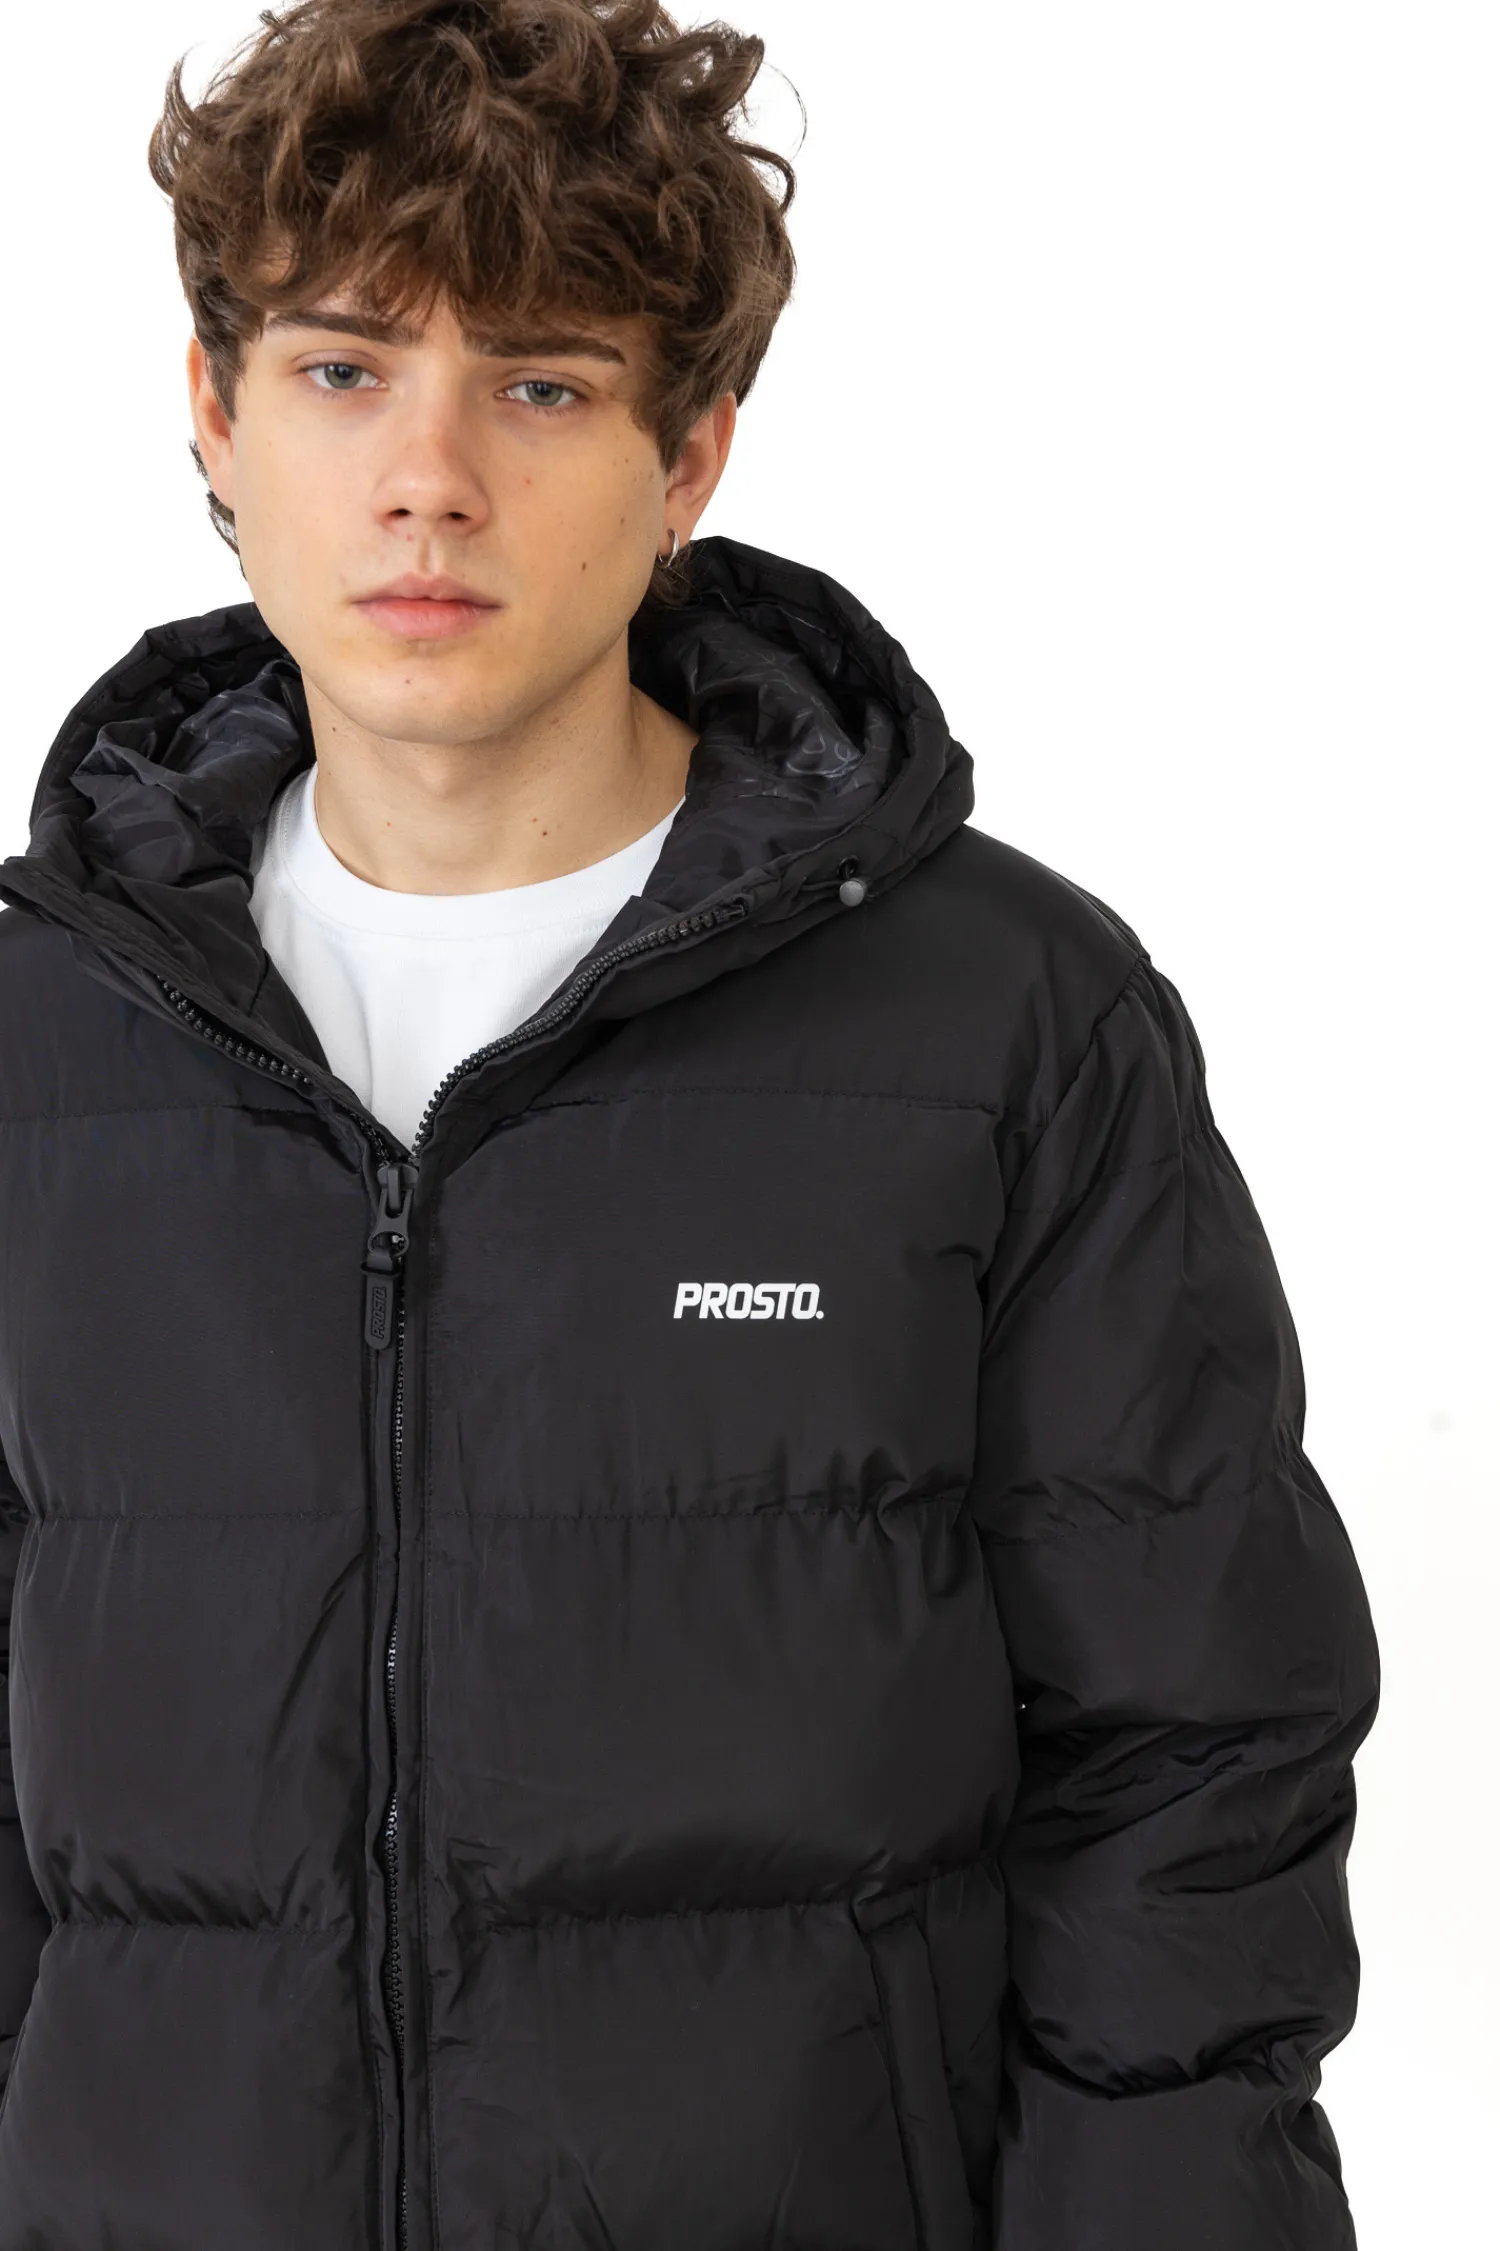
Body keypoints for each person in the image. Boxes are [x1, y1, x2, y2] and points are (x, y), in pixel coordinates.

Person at [0, 1, 1380, 2245]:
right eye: (344, 370)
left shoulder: (1005, 1025)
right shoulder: (39, 1044)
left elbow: (1197, 1768)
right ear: (215, 416)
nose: (429, 479)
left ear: (694, 455)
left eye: (541, 386)